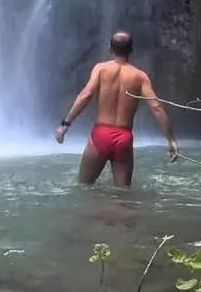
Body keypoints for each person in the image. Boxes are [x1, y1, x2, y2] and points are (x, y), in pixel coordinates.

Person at [53, 31, 179, 186]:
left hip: (101, 134)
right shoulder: (140, 76)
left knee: (84, 187)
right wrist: (171, 140)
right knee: (122, 195)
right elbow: (156, 107)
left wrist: (65, 125)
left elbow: (85, 96)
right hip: (124, 138)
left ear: (110, 49)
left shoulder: (100, 69)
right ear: (131, 51)